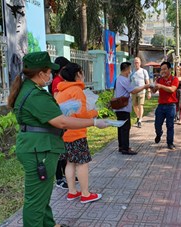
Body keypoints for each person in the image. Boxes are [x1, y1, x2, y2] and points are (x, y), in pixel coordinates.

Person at [7, 51, 108, 227]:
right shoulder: (35, 94)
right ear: (40, 73)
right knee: (35, 201)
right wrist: (94, 121)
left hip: (38, 148)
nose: (51, 75)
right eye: (48, 71)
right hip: (39, 151)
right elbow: (60, 121)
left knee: (42, 194)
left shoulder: (30, 89)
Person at [55, 63, 102, 204]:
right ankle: (86, 194)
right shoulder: (76, 90)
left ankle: (72, 192)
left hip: (64, 133)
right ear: (77, 74)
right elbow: (82, 115)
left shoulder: (61, 91)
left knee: (70, 162)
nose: (83, 75)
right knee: (82, 164)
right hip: (77, 133)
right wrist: (95, 112)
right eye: (81, 72)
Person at [115, 62, 150, 155]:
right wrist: (145, 86)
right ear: (126, 69)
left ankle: (121, 146)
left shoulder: (118, 78)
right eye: (129, 69)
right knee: (125, 128)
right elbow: (133, 91)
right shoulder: (124, 80)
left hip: (119, 107)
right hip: (123, 107)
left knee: (120, 127)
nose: (130, 71)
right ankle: (125, 149)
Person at [48, 56, 71, 190]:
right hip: (59, 117)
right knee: (60, 151)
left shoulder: (60, 80)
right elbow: (58, 100)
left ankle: (65, 174)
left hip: (62, 117)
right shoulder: (57, 81)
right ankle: (59, 178)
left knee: (64, 150)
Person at [152, 62, 179, 150]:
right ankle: (159, 134)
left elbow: (172, 89)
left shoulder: (174, 79)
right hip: (161, 106)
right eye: (161, 69)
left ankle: (170, 143)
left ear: (169, 70)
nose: (163, 71)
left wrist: (161, 86)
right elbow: (153, 91)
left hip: (171, 106)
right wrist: (152, 86)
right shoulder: (159, 80)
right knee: (157, 124)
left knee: (170, 125)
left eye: (165, 69)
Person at [130, 57, 151, 128]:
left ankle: (140, 120)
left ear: (140, 63)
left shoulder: (144, 71)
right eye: (135, 62)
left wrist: (149, 91)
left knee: (140, 105)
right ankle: (138, 116)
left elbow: (147, 82)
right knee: (134, 106)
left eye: (137, 62)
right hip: (134, 91)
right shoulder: (132, 72)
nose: (136, 64)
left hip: (142, 91)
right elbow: (129, 82)